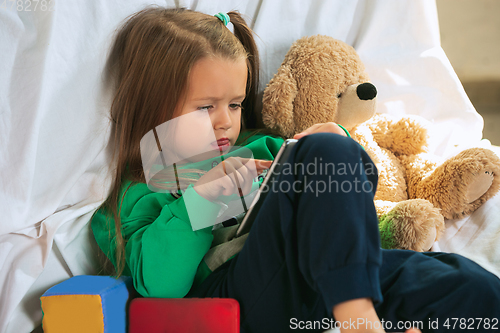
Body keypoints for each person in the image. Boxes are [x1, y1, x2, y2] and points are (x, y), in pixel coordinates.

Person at [91, 6, 500, 333]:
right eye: (205, 107)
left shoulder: (260, 147)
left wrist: (334, 137)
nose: (224, 121)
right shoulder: (134, 197)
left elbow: (357, 190)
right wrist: (200, 203)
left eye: (234, 105)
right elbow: (162, 286)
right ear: (152, 107)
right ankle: (359, 319)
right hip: (238, 299)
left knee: (469, 287)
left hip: (325, 280)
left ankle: (364, 312)